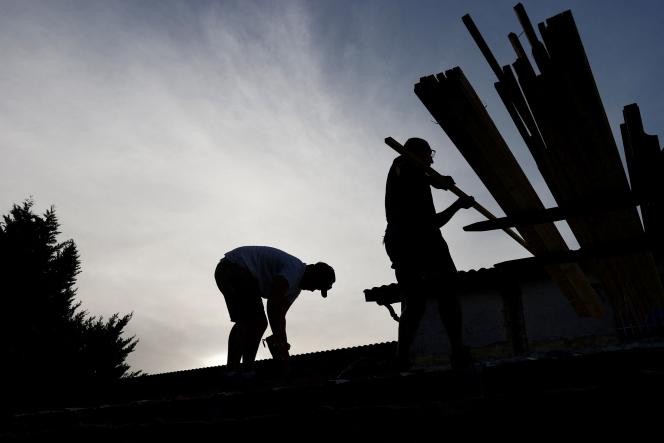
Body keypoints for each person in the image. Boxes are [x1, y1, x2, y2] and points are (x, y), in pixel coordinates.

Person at [383, 137, 475, 370]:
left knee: (429, 298)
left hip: (411, 239)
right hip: (413, 240)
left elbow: (432, 218)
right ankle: (412, 358)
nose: (432, 160)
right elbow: (433, 221)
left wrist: (441, 186)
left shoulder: (412, 178)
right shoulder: (403, 164)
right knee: (434, 297)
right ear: (418, 153)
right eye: (429, 154)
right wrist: (448, 191)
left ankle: (408, 359)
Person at [214, 245, 335, 370]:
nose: (313, 290)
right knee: (255, 322)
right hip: (233, 268)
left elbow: (280, 316)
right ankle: (241, 370)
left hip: (233, 271)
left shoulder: (294, 289)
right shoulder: (294, 270)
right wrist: (279, 340)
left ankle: (237, 369)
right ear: (314, 273)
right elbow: (273, 303)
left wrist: (282, 343)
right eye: (317, 285)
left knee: (249, 322)